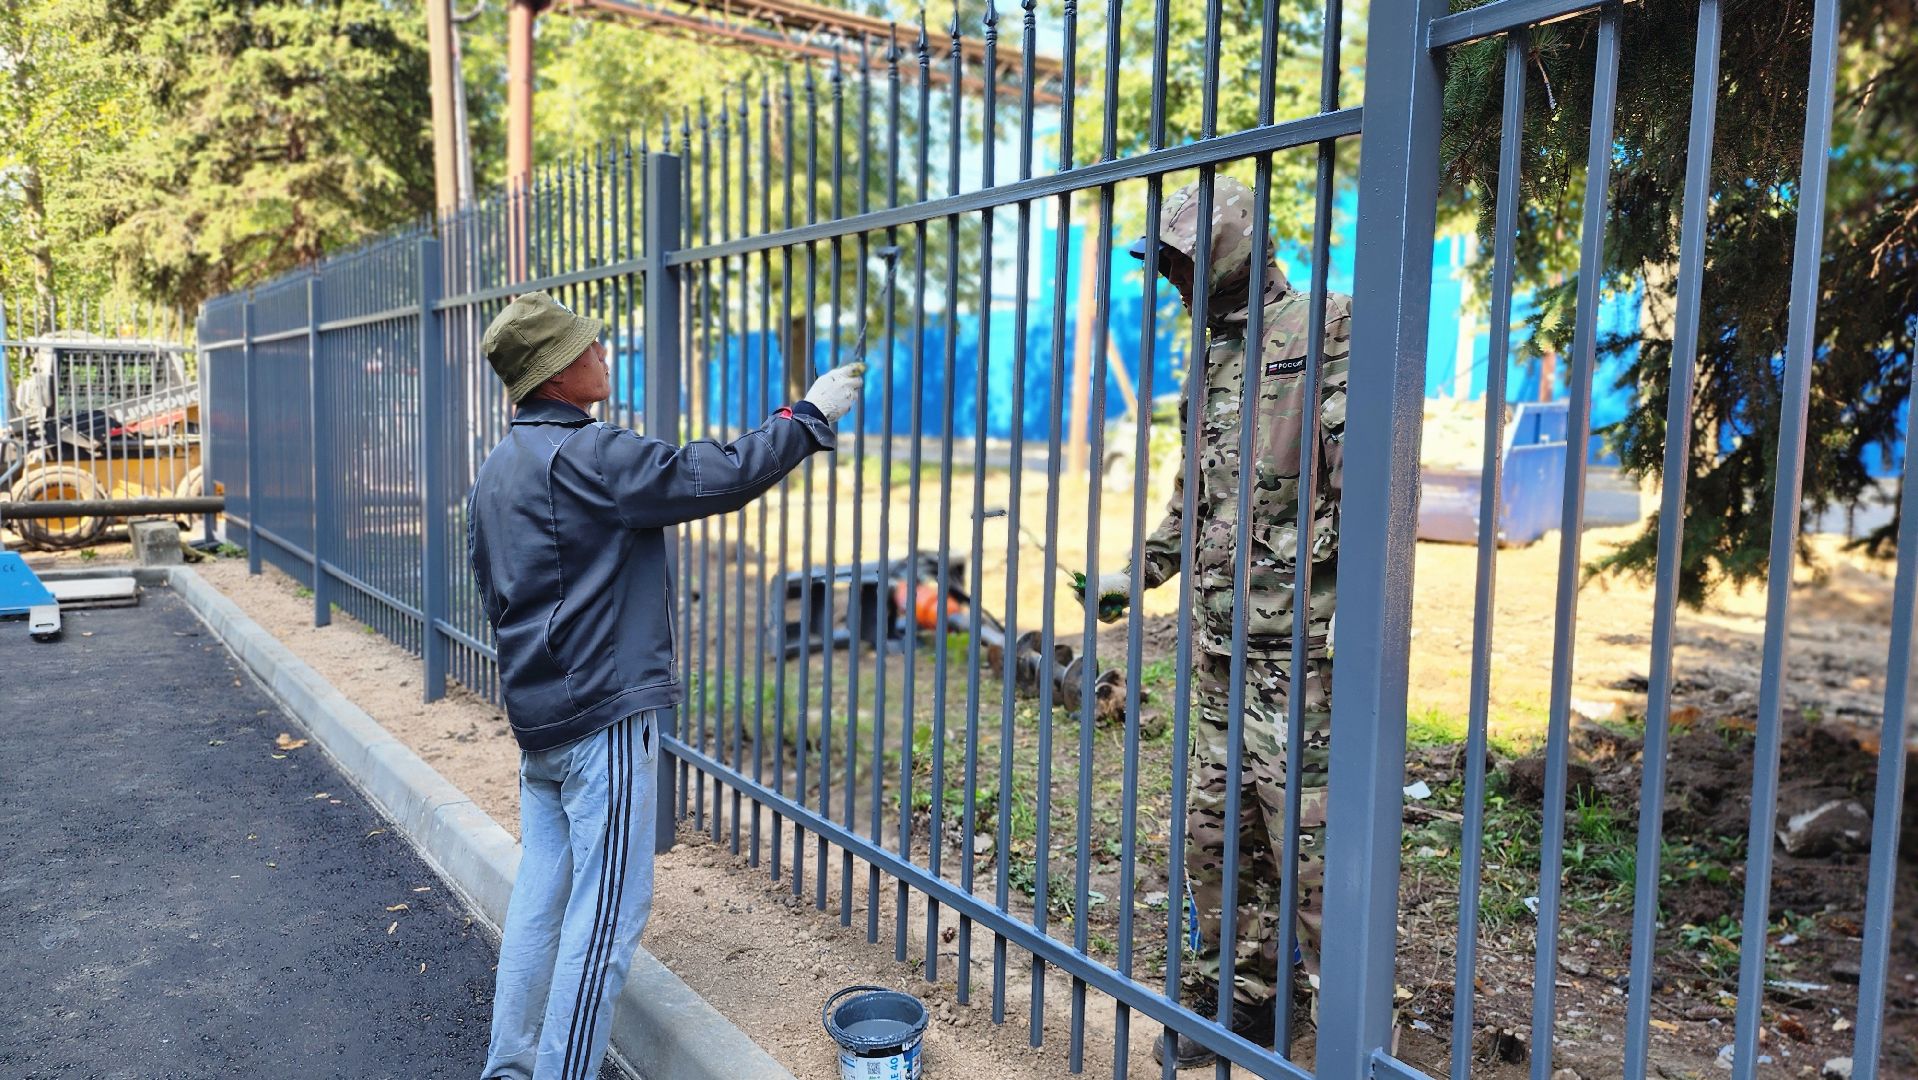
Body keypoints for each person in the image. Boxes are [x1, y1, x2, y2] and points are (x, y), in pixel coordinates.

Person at [468, 290, 864, 1080]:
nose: (601, 351)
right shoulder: (591, 454)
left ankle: (508, 1070)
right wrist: (806, 418)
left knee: (541, 907)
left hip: (540, 722)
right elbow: (708, 476)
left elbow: (493, 589)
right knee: (606, 921)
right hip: (602, 721)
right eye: (587, 345)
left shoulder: (495, 470)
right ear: (555, 373)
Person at [1075, 178, 1350, 1068]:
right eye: (1169, 267)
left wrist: (1285, 553)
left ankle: (1345, 1032)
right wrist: (1141, 569)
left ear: (1233, 253)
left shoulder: (1325, 329)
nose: (1175, 283)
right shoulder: (1212, 355)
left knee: (1312, 858)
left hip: (1305, 655)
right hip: (1222, 653)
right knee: (1214, 841)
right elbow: (1196, 491)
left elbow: (1368, 484)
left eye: (1185, 264)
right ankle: (1245, 1002)